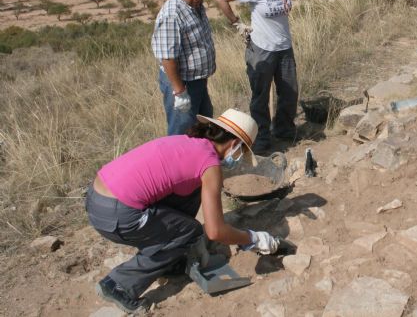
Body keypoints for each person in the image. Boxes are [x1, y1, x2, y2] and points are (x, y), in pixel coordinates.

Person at [85, 109, 280, 313]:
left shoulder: (188, 142)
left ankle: (170, 258)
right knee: (190, 232)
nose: (240, 158)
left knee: (192, 194)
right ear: (234, 145)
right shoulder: (210, 165)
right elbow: (215, 231)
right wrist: (252, 238)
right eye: (243, 152)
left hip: (96, 198)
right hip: (117, 214)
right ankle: (117, 285)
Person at [216, 0, 298, 154]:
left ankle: (284, 131)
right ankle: (262, 138)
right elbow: (221, 0)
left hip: (284, 46)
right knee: (260, 96)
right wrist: (237, 24)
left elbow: (286, 3)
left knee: (289, 91)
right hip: (261, 49)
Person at [152, 0, 216, 136]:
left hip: (197, 80)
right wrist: (180, 92)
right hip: (182, 83)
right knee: (182, 132)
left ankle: (202, 162)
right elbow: (168, 57)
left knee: (204, 126)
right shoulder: (172, 15)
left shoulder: (194, 5)